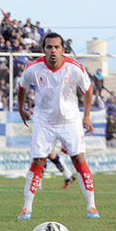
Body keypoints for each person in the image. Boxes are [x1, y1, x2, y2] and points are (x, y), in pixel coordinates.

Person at [17, 32, 99, 220]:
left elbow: (87, 90)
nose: (53, 51)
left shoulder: (74, 68)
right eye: (49, 47)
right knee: (38, 161)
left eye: (56, 47)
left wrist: (86, 116)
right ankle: (26, 208)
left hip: (69, 121)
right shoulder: (33, 68)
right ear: (43, 49)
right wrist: (20, 109)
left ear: (63, 49)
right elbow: (21, 88)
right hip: (43, 120)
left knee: (78, 159)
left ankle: (92, 207)